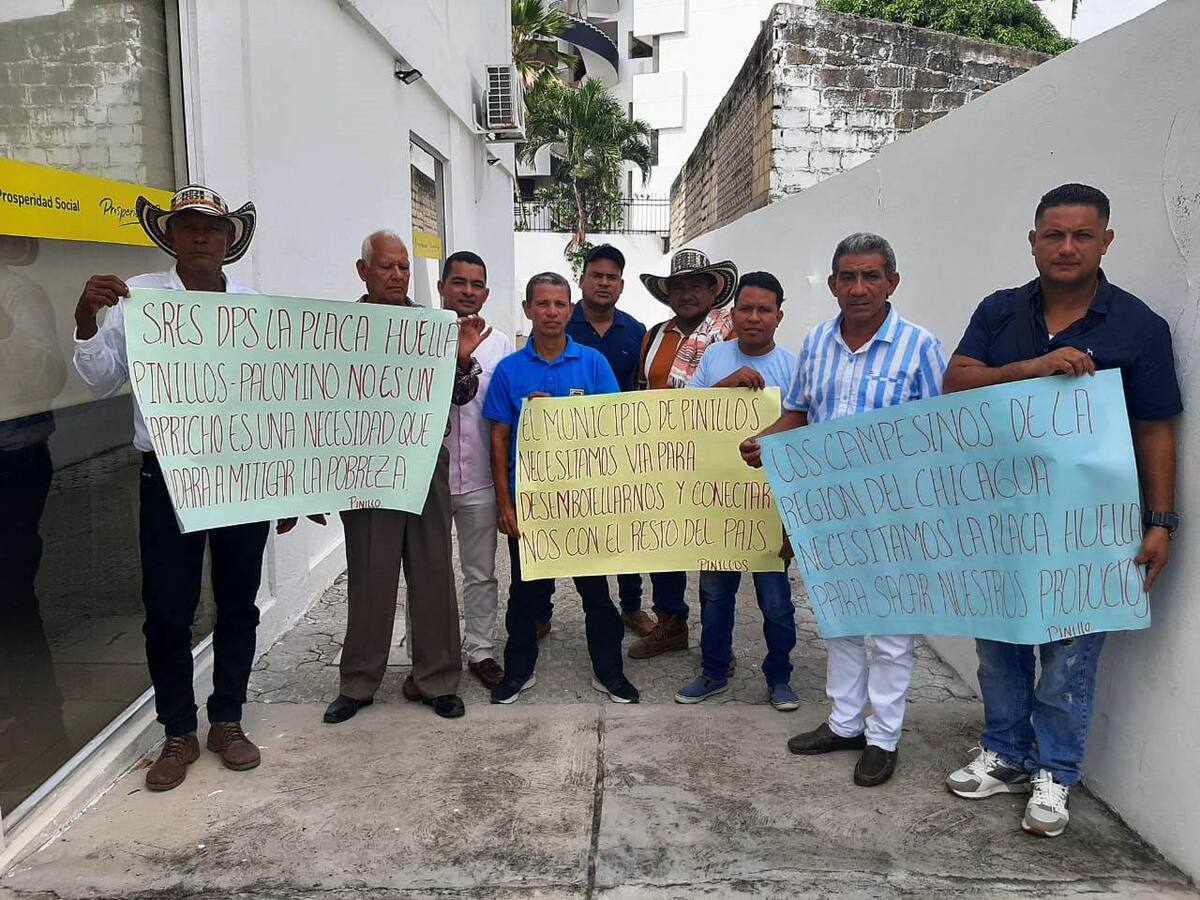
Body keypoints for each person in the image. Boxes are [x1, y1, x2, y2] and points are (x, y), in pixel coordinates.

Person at [942, 184, 1181, 838]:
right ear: (1033, 241)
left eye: (1082, 235)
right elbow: (955, 382)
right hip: (1000, 513)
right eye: (1054, 234)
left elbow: (1155, 429)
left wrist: (1161, 523)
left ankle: (1055, 771)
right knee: (999, 644)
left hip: (1090, 528)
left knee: (1069, 656)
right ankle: (1005, 752)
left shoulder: (1138, 327)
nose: (1067, 247)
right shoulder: (999, 311)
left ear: (1106, 241)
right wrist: (1033, 367)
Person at [72, 185, 269, 791]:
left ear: (229, 238)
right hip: (169, 474)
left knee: (238, 602)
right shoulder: (140, 298)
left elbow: (276, 396)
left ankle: (227, 719)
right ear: (172, 236)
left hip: (243, 472)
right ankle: (178, 730)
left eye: (212, 227)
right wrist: (86, 319)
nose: (202, 236)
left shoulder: (256, 307)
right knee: (166, 609)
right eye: (189, 226)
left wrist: (288, 484)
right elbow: (101, 380)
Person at [740, 233, 946, 787]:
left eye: (870, 276)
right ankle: (844, 723)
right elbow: (800, 413)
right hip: (830, 510)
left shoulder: (920, 347)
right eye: (848, 277)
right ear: (832, 284)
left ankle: (883, 737)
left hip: (894, 514)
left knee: (891, 632)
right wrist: (766, 440)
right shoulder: (816, 344)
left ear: (891, 282)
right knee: (841, 623)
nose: (859, 288)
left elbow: (939, 432)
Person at [321, 231, 488, 724]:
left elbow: (460, 395)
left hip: (423, 462)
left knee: (433, 572)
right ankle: (358, 683)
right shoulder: (338, 330)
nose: (397, 276)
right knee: (370, 576)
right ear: (363, 271)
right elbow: (318, 400)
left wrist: (460, 358)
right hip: (364, 467)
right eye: (386, 267)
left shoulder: (433, 327)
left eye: (403, 268)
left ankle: (439, 680)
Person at [484, 272, 639, 705]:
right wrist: (505, 503)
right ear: (528, 309)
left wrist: (566, 415)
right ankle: (518, 672)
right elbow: (498, 440)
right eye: (543, 303)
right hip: (532, 503)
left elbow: (614, 425)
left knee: (597, 593)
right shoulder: (509, 370)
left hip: (585, 504)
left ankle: (610, 672)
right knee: (525, 592)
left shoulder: (593, 363)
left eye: (559, 304)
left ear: (570, 310)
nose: (551, 312)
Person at [674, 272, 800, 711]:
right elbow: (683, 416)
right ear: (732, 313)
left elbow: (801, 435)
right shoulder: (714, 357)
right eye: (746, 308)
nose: (754, 317)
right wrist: (723, 386)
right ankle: (713, 671)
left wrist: (792, 521)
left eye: (764, 309)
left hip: (769, 508)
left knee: (776, 603)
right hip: (718, 506)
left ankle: (779, 677)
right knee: (714, 595)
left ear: (779, 316)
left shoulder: (792, 367)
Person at [630, 248, 739, 659]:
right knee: (663, 542)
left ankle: (716, 642)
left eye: (696, 285)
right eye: (679, 287)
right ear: (668, 294)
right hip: (661, 457)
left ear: (713, 291)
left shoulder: (730, 336)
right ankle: (671, 622)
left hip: (712, 459)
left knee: (714, 549)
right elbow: (641, 390)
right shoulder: (655, 335)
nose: (687, 294)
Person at [564, 244, 651, 637]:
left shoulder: (636, 332)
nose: (603, 283)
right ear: (582, 280)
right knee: (564, 524)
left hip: (621, 450)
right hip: (567, 450)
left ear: (621, 285)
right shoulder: (561, 323)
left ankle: (631, 606)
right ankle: (542, 609)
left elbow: (641, 387)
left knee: (626, 527)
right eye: (596, 275)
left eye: (611, 277)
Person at [438, 250, 513, 689]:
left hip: (482, 478)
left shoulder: (500, 345)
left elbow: (506, 413)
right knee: (429, 573)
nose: (468, 291)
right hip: (429, 480)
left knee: (481, 572)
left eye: (477, 284)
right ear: (442, 286)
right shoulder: (418, 338)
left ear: (486, 293)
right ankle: (428, 653)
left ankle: (481, 650)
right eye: (459, 282)